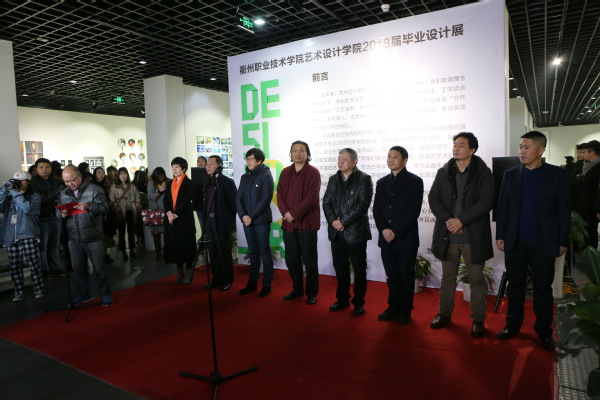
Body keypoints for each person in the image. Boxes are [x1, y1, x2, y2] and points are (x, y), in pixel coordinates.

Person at [496, 131, 570, 351]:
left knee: (543, 290)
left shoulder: (557, 175)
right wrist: (501, 235)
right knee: (515, 287)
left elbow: (563, 209)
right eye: (520, 147)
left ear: (541, 150)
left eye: (526, 147)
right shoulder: (510, 174)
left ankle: (544, 331)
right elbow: (502, 207)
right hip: (515, 242)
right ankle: (512, 325)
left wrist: (562, 240)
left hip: (544, 242)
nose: (521, 151)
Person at [428, 132, 494, 338]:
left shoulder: (483, 172)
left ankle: (478, 319)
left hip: (473, 236)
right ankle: (444, 314)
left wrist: (461, 220)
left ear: (472, 150)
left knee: (476, 280)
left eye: (461, 145)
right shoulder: (444, 171)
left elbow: (486, 202)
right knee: (447, 278)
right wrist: (449, 220)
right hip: (448, 235)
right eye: (455, 144)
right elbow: (434, 198)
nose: (456, 148)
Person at [373, 146, 423, 324]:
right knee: (392, 276)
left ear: (405, 160)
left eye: (395, 156)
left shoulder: (415, 181)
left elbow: (413, 211)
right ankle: (392, 307)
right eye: (389, 156)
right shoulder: (381, 182)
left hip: (405, 239)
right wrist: (384, 229)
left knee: (405, 276)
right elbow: (377, 210)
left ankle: (405, 310)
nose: (391, 159)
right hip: (386, 239)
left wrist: (395, 231)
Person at [322, 148, 373, 316]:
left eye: (344, 158)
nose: (340, 161)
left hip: (356, 232)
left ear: (354, 161)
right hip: (336, 233)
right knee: (341, 269)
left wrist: (343, 222)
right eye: (339, 158)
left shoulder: (364, 179)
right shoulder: (333, 179)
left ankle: (358, 302)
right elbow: (326, 202)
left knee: (359, 269)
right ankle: (342, 299)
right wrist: (333, 221)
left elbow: (362, 204)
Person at [60, 165, 112, 306]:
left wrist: (89, 206)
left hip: (93, 237)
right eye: (66, 181)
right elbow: (60, 213)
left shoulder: (95, 189)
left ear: (80, 176)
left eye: (72, 180)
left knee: (99, 269)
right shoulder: (64, 193)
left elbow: (105, 208)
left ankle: (105, 295)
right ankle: (83, 295)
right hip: (74, 238)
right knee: (78, 270)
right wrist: (63, 215)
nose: (70, 184)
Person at [277, 140, 321, 305]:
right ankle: (297, 289)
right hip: (289, 225)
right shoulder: (285, 172)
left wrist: (294, 214)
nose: (298, 153)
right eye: (295, 150)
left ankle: (311, 293)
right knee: (292, 260)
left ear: (307, 154)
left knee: (310, 261)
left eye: (301, 150)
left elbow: (311, 198)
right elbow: (280, 194)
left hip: (307, 225)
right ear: (291, 154)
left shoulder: (313, 172)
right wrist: (286, 213)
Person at [0, 171, 45, 302]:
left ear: (28, 182)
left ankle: (39, 289)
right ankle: (19, 292)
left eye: (21, 181)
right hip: (11, 235)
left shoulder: (35, 196)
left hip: (27, 234)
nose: (18, 183)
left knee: (33, 264)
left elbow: (28, 209)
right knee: (14, 266)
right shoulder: (9, 196)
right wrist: (3, 191)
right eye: (16, 180)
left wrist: (15, 193)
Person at [236, 148, 274, 297]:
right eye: (247, 159)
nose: (249, 161)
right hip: (247, 221)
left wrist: (250, 216)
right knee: (253, 253)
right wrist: (243, 215)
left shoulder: (266, 175)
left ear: (259, 160)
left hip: (261, 221)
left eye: (251, 159)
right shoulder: (244, 177)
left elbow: (266, 199)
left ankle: (267, 285)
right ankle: (252, 283)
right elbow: (238, 198)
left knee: (264, 252)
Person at [203, 155, 237, 290]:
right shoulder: (207, 182)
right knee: (213, 252)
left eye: (211, 164)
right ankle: (217, 278)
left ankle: (227, 279)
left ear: (219, 166)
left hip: (221, 221)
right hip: (209, 221)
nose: (208, 166)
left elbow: (234, 204)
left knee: (223, 252)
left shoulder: (226, 182)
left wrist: (227, 219)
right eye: (207, 164)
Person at [163, 157, 197, 284]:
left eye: (177, 167)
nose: (174, 169)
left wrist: (175, 214)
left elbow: (186, 201)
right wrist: (169, 213)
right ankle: (179, 272)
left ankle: (189, 272)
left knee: (186, 246)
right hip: (172, 219)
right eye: (173, 167)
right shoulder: (170, 183)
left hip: (184, 219)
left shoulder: (189, 183)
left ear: (183, 168)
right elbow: (166, 200)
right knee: (175, 246)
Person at [30, 158, 65, 279]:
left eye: (47, 167)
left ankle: (55, 267)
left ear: (51, 168)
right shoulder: (33, 181)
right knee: (42, 246)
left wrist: (46, 196)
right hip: (41, 217)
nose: (44, 169)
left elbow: (60, 195)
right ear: (36, 169)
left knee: (54, 245)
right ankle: (44, 270)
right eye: (41, 167)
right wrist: (50, 197)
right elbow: (37, 199)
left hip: (55, 216)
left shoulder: (56, 180)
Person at [573, 140, 600, 248]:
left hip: (592, 206)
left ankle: (591, 254)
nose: (582, 154)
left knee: (591, 232)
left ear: (592, 153)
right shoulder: (582, 165)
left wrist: (580, 178)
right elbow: (574, 180)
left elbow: (588, 183)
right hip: (580, 205)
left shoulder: (598, 167)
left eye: (584, 152)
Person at [109, 167, 140, 260]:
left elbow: (137, 196)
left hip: (130, 211)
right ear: (118, 176)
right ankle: (123, 251)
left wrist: (137, 206)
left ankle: (132, 249)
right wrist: (116, 208)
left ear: (127, 175)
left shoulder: (132, 186)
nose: (123, 176)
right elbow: (112, 198)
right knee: (121, 232)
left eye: (125, 174)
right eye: (121, 174)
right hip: (120, 211)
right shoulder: (114, 186)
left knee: (131, 231)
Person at [91, 167, 116, 263]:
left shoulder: (106, 184)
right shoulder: (93, 186)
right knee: (101, 234)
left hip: (106, 212)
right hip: (99, 213)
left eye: (102, 172)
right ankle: (100, 255)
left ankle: (104, 254)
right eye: (99, 173)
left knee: (106, 234)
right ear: (95, 174)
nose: (101, 174)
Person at [147, 167, 170, 260]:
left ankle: (167, 253)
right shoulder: (151, 183)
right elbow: (150, 197)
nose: (161, 178)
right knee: (156, 233)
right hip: (155, 211)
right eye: (159, 177)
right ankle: (158, 254)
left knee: (166, 232)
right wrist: (159, 191)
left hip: (167, 210)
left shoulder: (169, 181)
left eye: (162, 176)